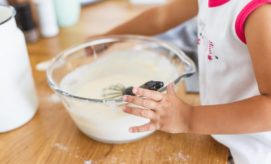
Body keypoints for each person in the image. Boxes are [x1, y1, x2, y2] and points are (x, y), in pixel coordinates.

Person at [90, 0, 271, 163]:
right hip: (223, 133)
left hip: (258, 150)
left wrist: (187, 117)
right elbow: (162, 16)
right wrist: (107, 38)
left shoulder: (260, 14)